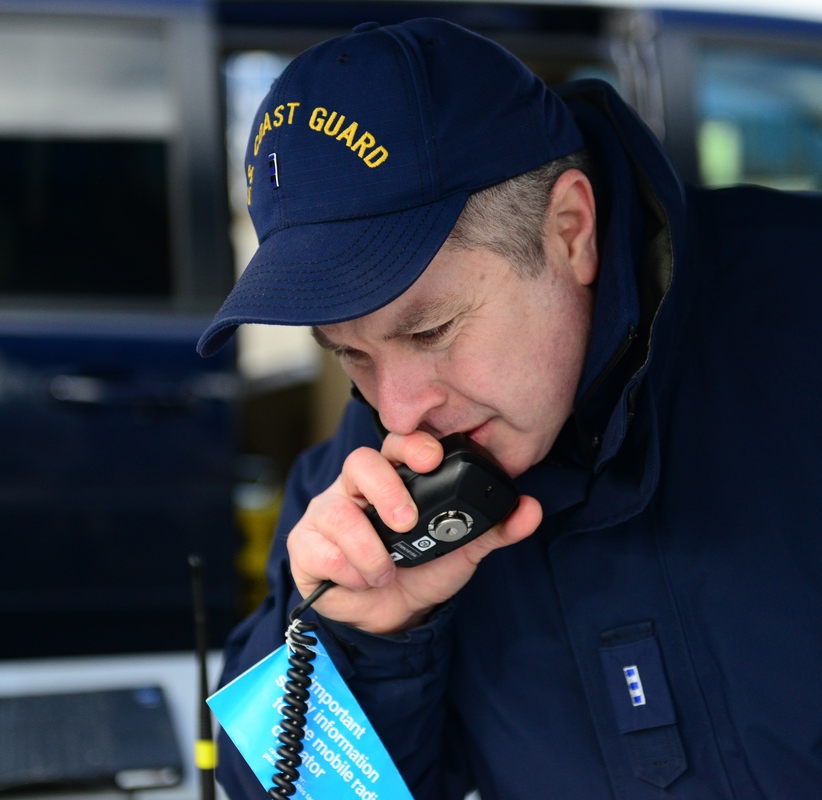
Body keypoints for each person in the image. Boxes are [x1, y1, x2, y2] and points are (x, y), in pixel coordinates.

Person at [197, 17, 822, 800]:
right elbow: (279, 788)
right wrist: (368, 642)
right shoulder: (366, 502)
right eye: (350, 354)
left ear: (569, 231)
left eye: (430, 329)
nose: (398, 409)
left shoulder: (798, 314)